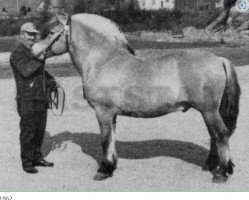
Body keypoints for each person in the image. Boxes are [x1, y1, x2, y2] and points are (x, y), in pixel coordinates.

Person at [9, 22, 57, 174]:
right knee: (28, 131)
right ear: (22, 35)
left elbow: (39, 72)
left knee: (39, 130)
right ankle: (27, 162)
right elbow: (26, 71)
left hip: (40, 97)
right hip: (26, 99)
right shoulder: (17, 52)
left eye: (33, 34)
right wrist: (40, 58)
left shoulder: (32, 50)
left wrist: (51, 80)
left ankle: (37, 157)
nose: (32, 37)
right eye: (29, 34)